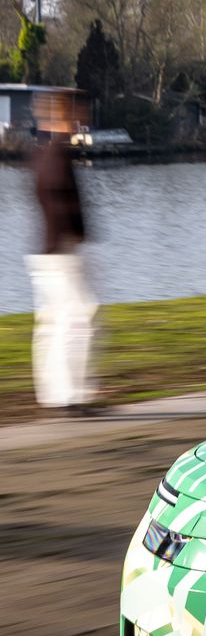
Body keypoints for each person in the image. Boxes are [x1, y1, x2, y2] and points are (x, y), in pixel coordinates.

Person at [24, 93, 99, 415]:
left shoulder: (40, 153)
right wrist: (77, 234)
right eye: (75, 113)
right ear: (60, 117)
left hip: (45, 250)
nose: (81, 119)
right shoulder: (58, 154)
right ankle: (71, 396)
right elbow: (62, 200)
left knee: (52, 323)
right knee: (78, 319)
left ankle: (54, 394)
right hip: (61, 250)